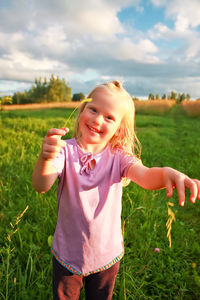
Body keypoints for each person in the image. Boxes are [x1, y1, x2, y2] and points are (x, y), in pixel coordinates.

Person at [32, 80, 200, 300]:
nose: (97, 119)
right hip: (67, 255)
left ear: (119, 128)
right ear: (82, 109)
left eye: (109, 117)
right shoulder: (64, 151)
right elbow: (41, 185)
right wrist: (46, 158)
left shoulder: (119, 157)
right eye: (93, 109)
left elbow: (146, 176)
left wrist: (167, 173)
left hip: (106, 256)